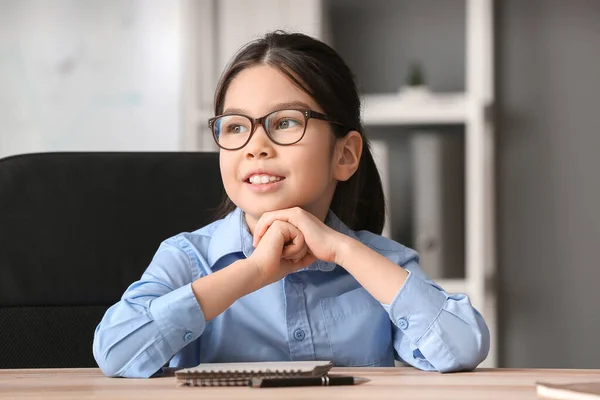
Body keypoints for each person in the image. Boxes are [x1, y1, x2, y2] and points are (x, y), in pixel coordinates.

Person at [93, 31, 490, 378]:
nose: (255, 147)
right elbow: (116, 352)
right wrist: (252, 272)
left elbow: (461, 348)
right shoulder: (186, 258)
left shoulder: (381, 264)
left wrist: (341, 249)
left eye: (284, 122)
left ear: (345, 155)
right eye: (234, 127)